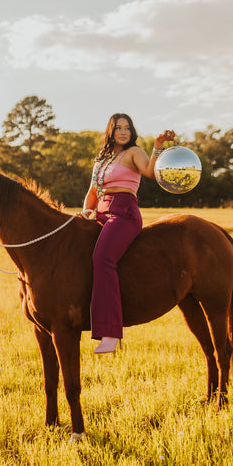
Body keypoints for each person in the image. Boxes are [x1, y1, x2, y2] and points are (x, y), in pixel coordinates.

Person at [82, 113, 176, 354]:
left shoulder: (134, 152)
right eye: (118, 128)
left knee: (102, 258)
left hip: (123, 213)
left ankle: (111, 333)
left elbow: (150, 172)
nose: (123, 132)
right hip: (100, 212)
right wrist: (86, 211)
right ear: (110, 132)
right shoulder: (101, 159)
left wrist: (157, 146)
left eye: (127, 128)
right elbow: (92, 192)